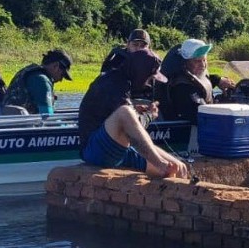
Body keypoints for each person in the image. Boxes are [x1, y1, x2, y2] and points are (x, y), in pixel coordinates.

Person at [79, 48, 189, 178]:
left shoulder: (124, 81)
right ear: (141, 72)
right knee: (125, 112)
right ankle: (160, 163)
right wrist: (149, 116)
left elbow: (129, 128)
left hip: (118, 148)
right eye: (150, 78)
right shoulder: (112, 82)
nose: (149, 83)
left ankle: (166, 170)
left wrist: (137, 112)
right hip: (95, 150)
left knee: (178, 167)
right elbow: (126, 120)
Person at [160, 38, 236, 124]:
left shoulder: (193, 74)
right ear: (186, 63)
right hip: (191, 132)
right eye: (197, 61)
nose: (203, 65)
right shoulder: (182, 87)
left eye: (204, 60)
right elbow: (201, 115)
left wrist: (218, 80)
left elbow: (201, 81)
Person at [2, 48, 73, 115]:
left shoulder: (28, 72)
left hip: (10, 123)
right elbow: (48, 117)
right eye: (62, 74)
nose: (61, 80)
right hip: (26, 126)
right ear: (56, 66)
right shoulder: (42, 81)